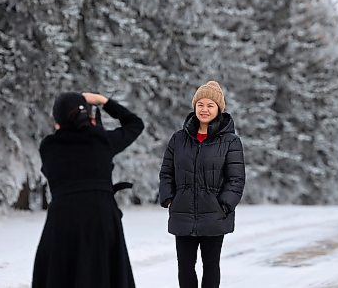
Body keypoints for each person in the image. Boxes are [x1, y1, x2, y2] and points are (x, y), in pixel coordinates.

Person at [32, 91, 144, 288]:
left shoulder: (48, 147)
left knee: (63, 274)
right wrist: (104, 101)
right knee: (103, 272)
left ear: (58, 120)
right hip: (100, 216)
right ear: (89, 116)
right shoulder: (101, 140)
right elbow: (135, 124)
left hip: (63, 219)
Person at [159, 81, 246, 288]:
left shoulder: (231, 142)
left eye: (210, 105)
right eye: (200, 104)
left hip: (214, 214)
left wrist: (224, 205)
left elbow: (236, 179)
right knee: (185, 267)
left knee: (211, 266)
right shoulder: (178, 139)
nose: (204, 109)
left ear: (219, 109)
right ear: (194, 106)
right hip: (183, 212)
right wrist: (169, 198)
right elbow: (166, 172)